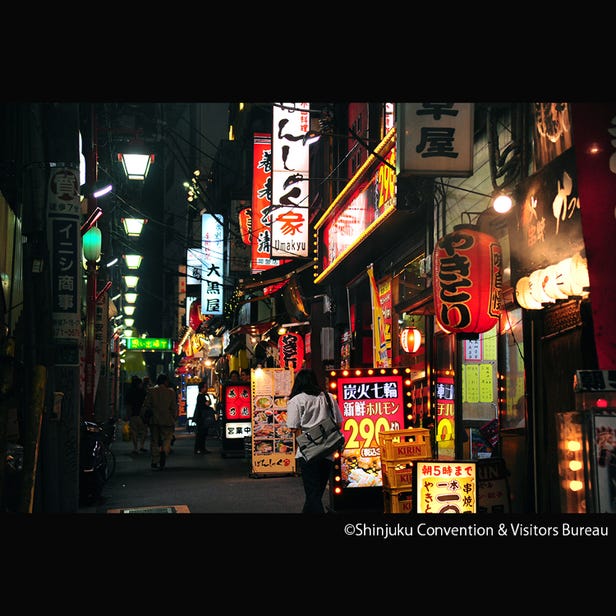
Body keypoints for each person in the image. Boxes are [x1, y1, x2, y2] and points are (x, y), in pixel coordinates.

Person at [286, 369, 343, 513]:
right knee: (316, 492)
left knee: (313, 494)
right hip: (328, 451)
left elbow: (292, 427)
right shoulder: (329, 397)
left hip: (308, 452)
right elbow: (339, 423)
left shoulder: (297, 400)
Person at [141, 373, 178, 471]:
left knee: (154, 440)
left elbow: (146, 405)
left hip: (154, 419)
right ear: (166, 382)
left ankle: (154, 460)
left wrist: (145, 417)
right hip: (167, 419)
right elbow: (174, 407)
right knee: (167, 438)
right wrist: (174, 417)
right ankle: (164, 451)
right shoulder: (171, 392)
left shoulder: (151, 391)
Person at [125, 376, 148, 454]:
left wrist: (128, 415)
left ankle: (135, 448)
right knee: (144, 431)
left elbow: (128, 405)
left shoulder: (129, 392)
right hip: (142, 414)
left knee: (134, 432)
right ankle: (142, 446)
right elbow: (146, 403)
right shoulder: (143, 392)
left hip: (133, 414)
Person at [192, 382, 215, 454]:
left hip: (201, 417)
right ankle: (200, 448)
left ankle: (200, 448)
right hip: (201, 418)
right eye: (205, 387)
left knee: (201, 433)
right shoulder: (201, 396)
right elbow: (207, 404)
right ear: (202, 388)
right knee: (201, 434)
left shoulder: (202, 395)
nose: (206, 388)